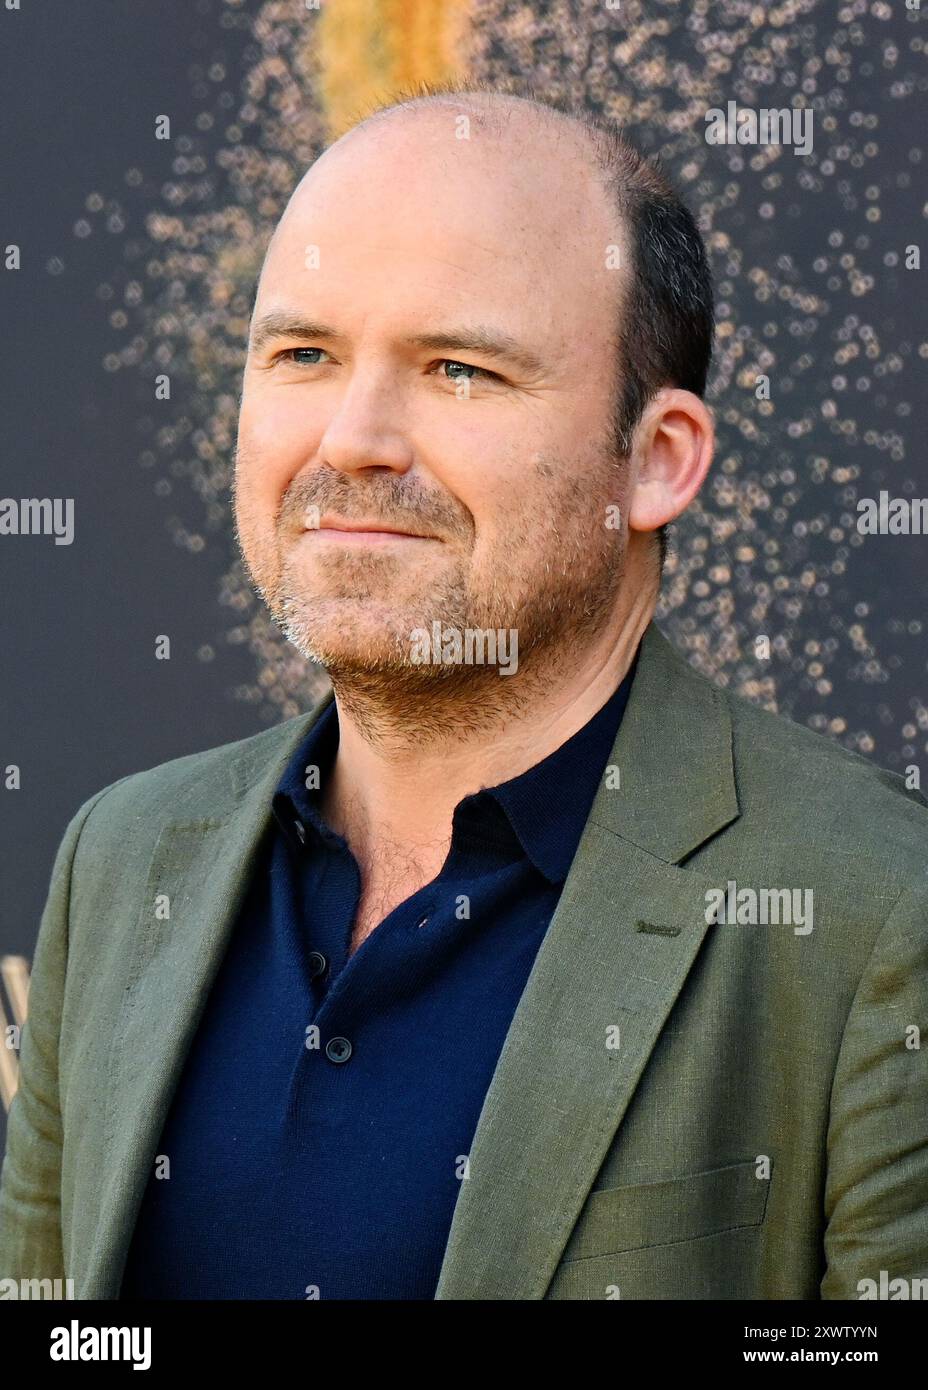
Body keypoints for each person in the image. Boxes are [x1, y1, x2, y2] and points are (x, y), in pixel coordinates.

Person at [1, 81, 926, 1301]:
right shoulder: (121, 861)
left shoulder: (871, 913)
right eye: (302, 355)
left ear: (654, 461)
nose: (353, 439)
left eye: (459, 369)